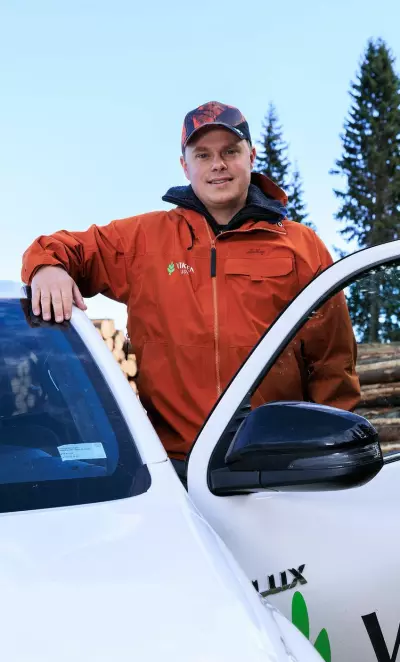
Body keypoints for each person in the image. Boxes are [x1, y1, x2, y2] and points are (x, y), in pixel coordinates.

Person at [22, 101, 361, 466]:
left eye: (230, 151)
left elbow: (332, 361)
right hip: (174, 469)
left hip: (275, 464)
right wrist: (47, 267)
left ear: (251, 156)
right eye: (203, 154)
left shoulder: (302, 246)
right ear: (185, 166)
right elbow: (62, 247)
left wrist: (331, 454)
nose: (218, 164)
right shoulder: (144, 239)